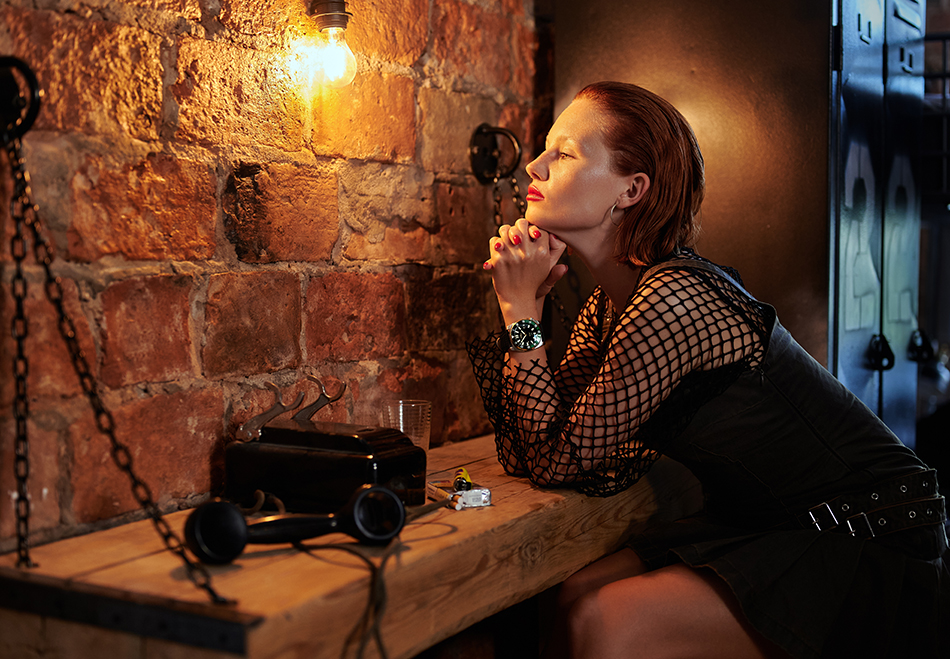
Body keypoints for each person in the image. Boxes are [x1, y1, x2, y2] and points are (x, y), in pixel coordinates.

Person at [467, 81, 949, 659]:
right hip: (767, 519)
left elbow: (556, 460)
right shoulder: (609, 305)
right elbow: (538, 443)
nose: (535, 166)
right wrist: (531, 307)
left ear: (631, 190)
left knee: (606, 620)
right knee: (573, 593)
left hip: (865, 534)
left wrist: (520, 310)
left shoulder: (671, 298)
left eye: (564, 152)